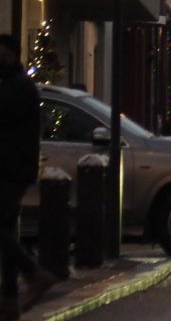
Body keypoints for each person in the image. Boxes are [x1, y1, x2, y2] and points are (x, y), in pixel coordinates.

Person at [0, 34, 58, 320]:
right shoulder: (16, 85)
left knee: (3, 230)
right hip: (14, 169)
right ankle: (9, 298)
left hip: (9, 170)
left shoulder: (17, 87)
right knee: (7, 231)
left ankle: (32, 272)